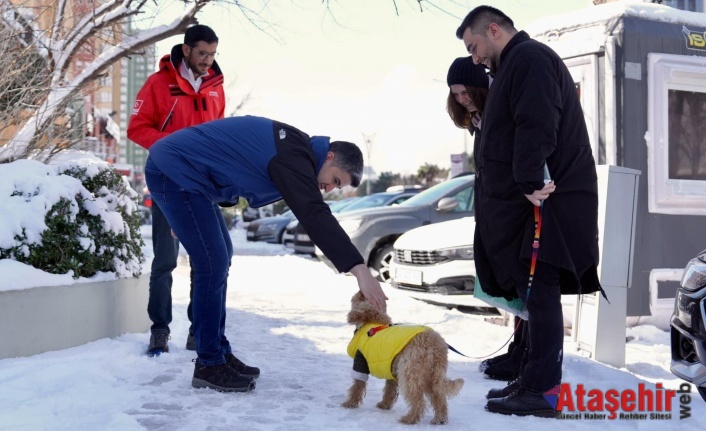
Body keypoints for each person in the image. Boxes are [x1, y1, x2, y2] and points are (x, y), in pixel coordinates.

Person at [145, 115, 389, 392]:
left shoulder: (296, 151)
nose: (330, 189)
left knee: (221, 254)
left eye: (337, 187)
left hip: (192, 179)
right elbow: (313, 213)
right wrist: (360, 270)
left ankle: (218, 352)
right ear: (329, 156)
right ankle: (209, 364)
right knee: (212, 262)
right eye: (335, 179)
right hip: (175, 171)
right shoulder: (295, 156)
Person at [455, 5, 602, 417]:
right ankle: (535, 379)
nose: (474, 57)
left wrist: (529, 182)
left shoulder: (530, 58)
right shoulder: (514, 64)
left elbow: (536, 121)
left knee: (540, 292)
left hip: (546, 198)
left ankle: (542, 390)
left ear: (494, 29)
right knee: (533, 290)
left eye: (475, 45)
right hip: (534, 199)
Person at [127, 24, 225, 355]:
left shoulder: (215, 88)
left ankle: (199, 331)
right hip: (168, 185)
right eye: (202, 53)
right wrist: (174, 148)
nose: (207, 61)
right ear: (186, 50)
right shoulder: (158, 84)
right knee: (165, 261)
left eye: (212, 54)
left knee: (208, 262)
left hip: (204, 188)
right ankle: (160, 329)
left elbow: (220, 136)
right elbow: (136, 128)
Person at [446, 56, 525, 382]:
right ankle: (518, 350)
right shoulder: (479, 123)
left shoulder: (500, 115)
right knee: (511, 288)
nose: (462, 99)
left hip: (515, 214)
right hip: (493, 215)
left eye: (466, 92)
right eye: (456, 94)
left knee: (525, 287)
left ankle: (526, 356)